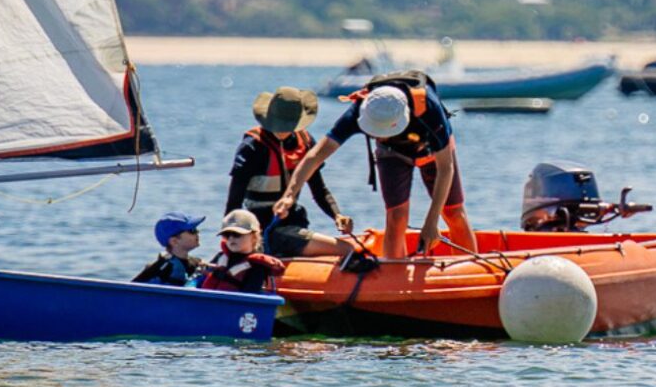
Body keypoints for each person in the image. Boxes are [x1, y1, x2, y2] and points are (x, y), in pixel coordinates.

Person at [275, 69, 470, 261]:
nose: (378, 134)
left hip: (432, 153)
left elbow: (446, 168)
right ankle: (395, 277)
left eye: (384, 131)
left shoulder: (428, 107)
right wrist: (289, 195)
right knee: (396, 218)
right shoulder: (360, 109)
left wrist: (431, 221)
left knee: (453, 213)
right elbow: (315, 156)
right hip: (392, 154)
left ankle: (468, 266)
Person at [227, 86, 366, 264]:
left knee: (350, 248)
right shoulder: (252, 147)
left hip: (294, 225)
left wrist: (337, 215)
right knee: (348, 249)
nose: (282, 129)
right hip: (265, 230)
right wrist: (231, 239)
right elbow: (234, 201)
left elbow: (319, 189)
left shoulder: (305, 143)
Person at [196, 210, 285, 294]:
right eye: (227, 235)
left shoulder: (256, 266)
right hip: (208, 303)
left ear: (254, 236)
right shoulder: (220, 257)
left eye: (237, 234)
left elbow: (251, 296)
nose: (231, 238)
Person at [131, 211, 206, 285]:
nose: (197, 233)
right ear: (174, 241)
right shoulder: (162, 268)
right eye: (192, 231)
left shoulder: (197, 263)